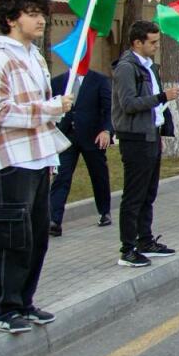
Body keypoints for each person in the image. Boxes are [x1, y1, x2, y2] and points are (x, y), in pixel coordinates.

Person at [0, 0, 72, 333]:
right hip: (5, 161)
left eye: (41, 13)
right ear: (11, 19)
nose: (40, 19)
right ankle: (1, 309)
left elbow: (39, 110)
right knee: (8, 237)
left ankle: (23, 302)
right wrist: (50, 108)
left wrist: (52, 122)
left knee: (35, 237)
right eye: (31, 13)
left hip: (37, 159)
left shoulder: (34, 58)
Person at [112, 20, 179, 268]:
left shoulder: (150, 67)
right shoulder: (126, 68)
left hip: (151, 134)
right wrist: (162, 97)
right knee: (134, 194)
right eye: (151, 42)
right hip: (135, 137)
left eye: (156, 42)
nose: (155, 46)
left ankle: (145, 240)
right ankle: (127, 248)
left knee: (148, 193)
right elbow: (129, 103)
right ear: (137, 42)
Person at [48, 68, 112, 236]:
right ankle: (54, 220)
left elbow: (108, 108)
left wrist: (106, 130)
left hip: (93, 136)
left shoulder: (99, 80)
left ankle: (104, 212)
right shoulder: (58, 81)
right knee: (62, 176)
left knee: (99, 175)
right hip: (67, 137)